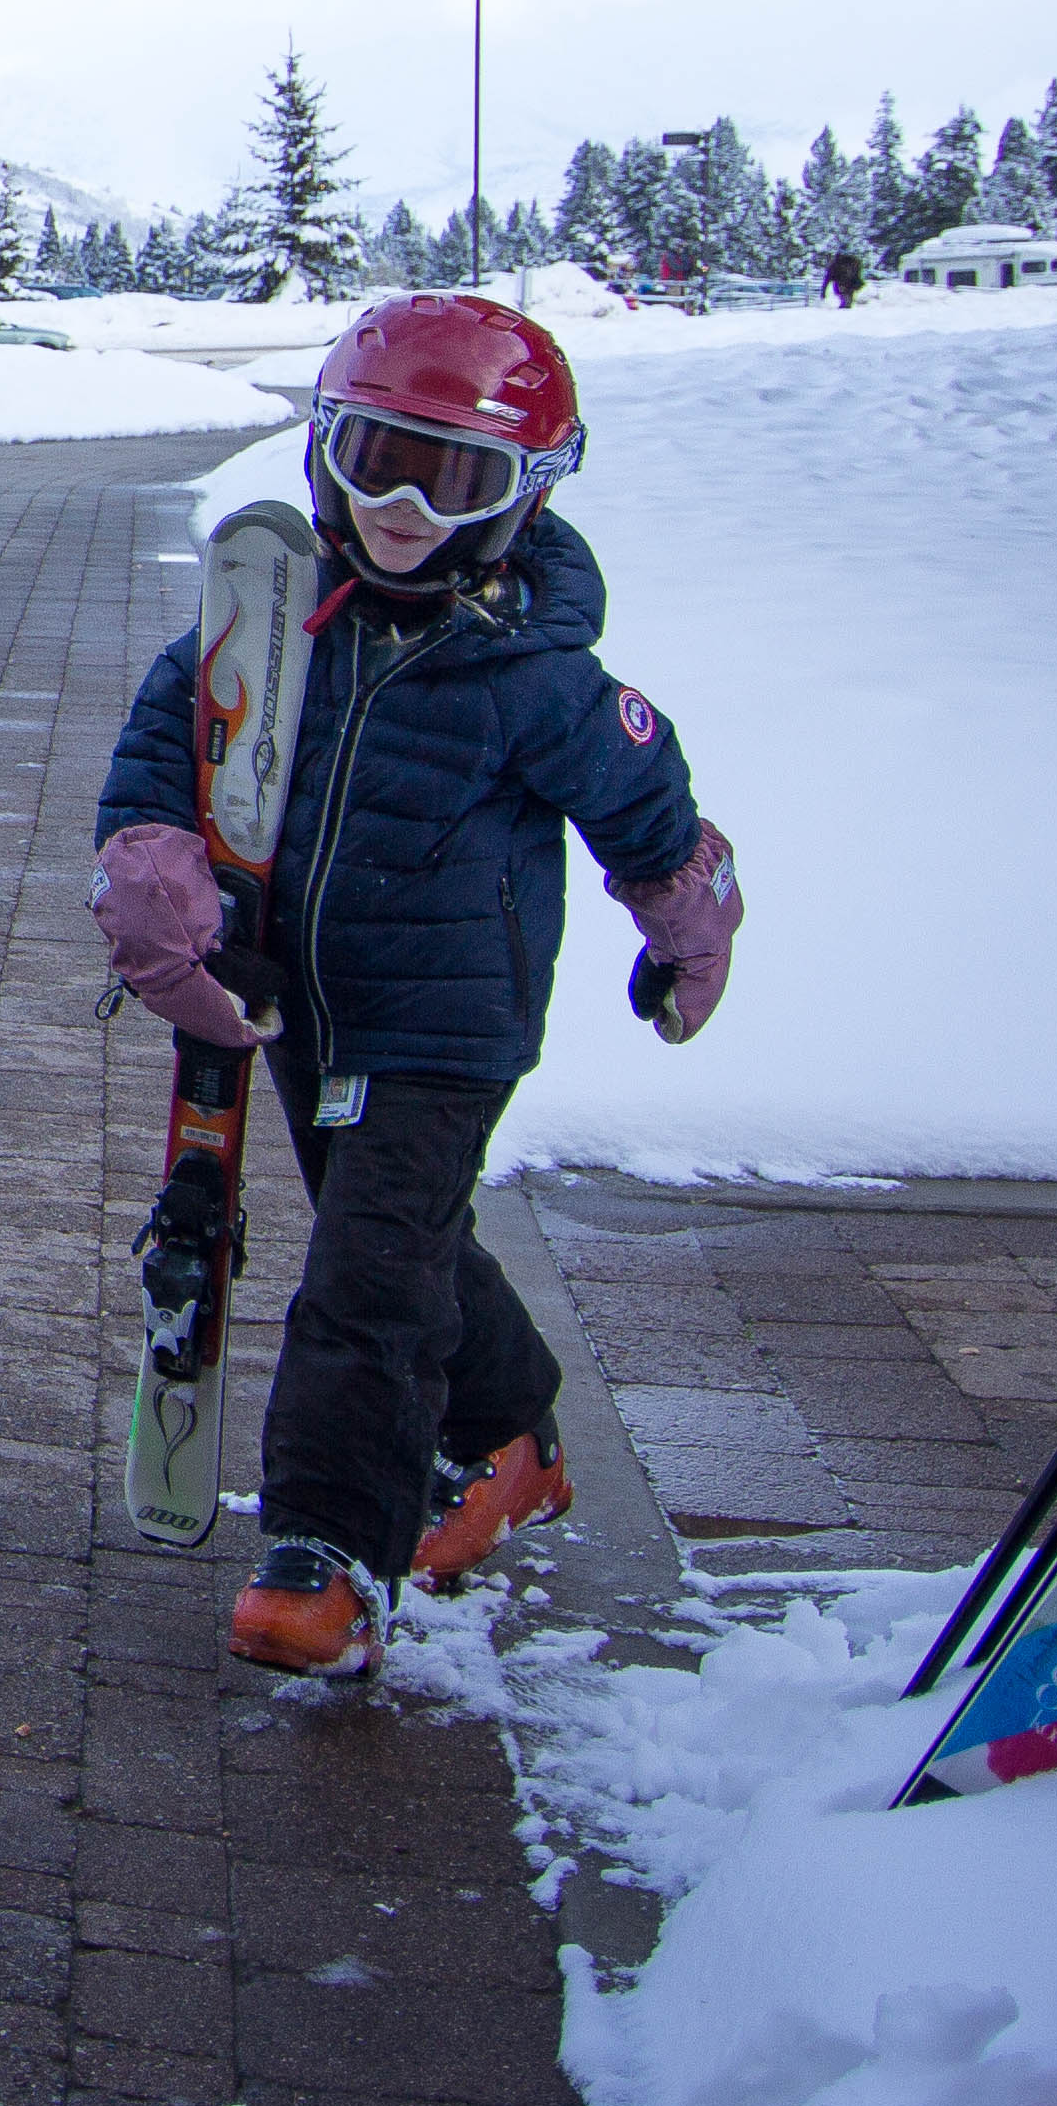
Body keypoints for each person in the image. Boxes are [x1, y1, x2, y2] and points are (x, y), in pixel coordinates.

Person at [87, 292, 741, 1677]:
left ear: (524, 495)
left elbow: (652, 816)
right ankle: (515, 1434)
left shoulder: (537, 678)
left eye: (451, 479)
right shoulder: (268, 623)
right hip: (305, 1010)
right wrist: (157, 889)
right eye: (374, 458)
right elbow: (165, 750)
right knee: (406, 1240)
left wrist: (690, 933)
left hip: (450, 1024)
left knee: (365, 1279)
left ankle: (331, 1553)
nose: (400, 506)